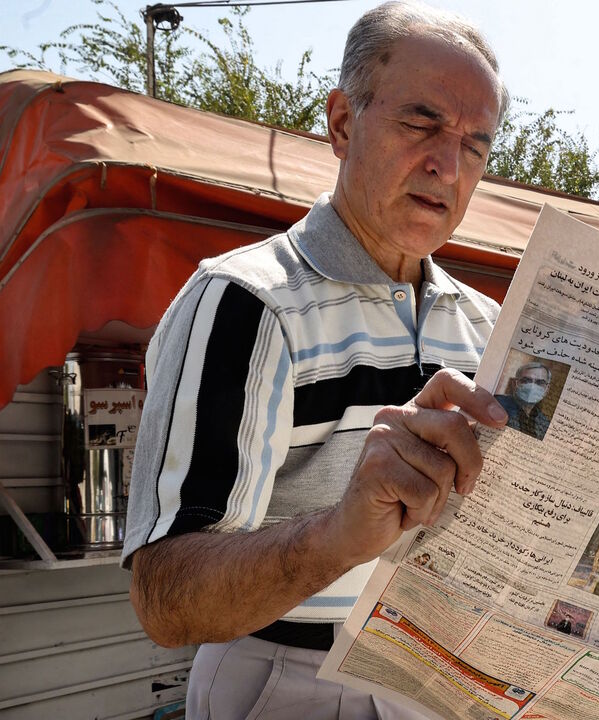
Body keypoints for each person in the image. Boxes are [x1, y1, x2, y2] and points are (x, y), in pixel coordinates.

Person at [121, 4, 511, 718]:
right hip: (292, 679)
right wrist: (336, 536)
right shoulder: (244, 302)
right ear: (340, 124)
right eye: (420, 123)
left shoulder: (491, 331)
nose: (447, 165)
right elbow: (165, 598)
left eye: (475, 146)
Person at [495, 360, 553, 439]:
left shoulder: (545, 424)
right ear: (515, 384)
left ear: (547, 389)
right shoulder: (496, 403)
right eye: (526, 381)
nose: (532, 387)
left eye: (539, 383)